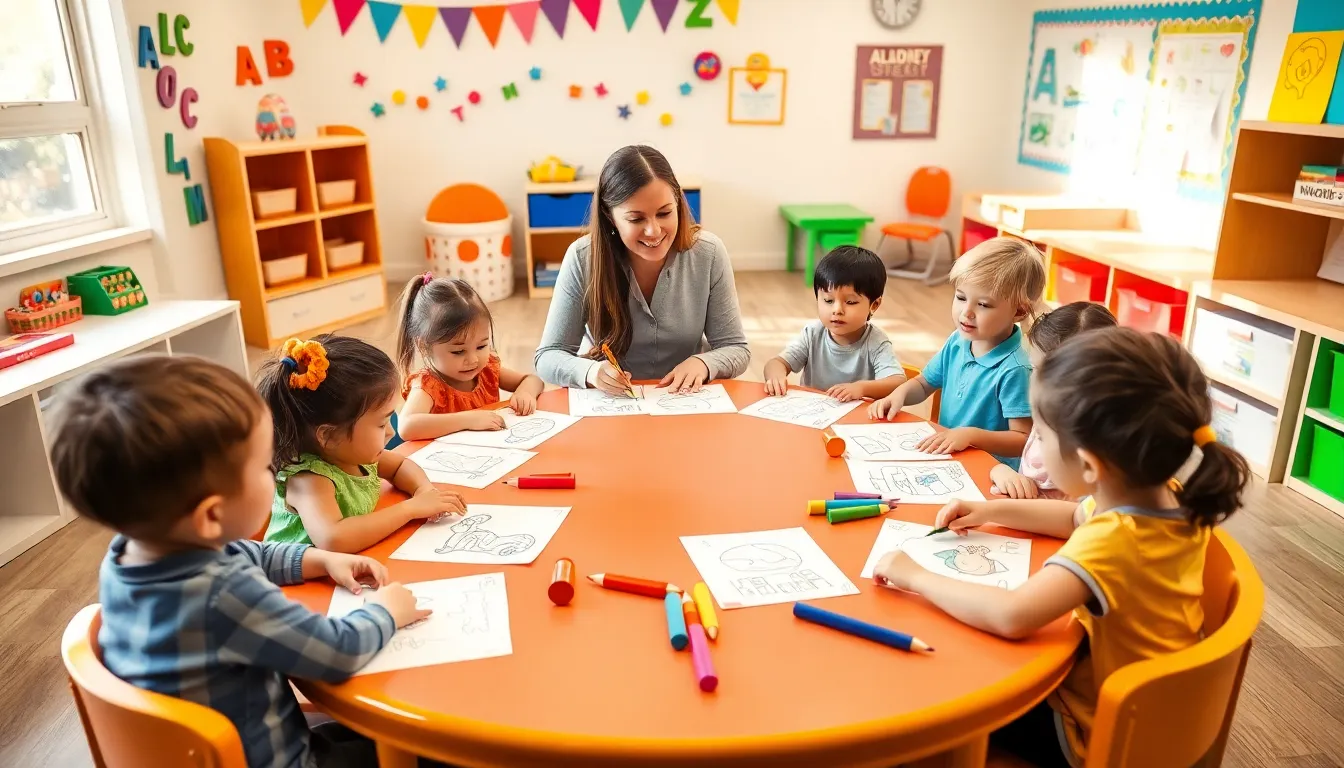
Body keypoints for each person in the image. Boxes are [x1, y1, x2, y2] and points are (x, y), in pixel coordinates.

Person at [872, 328, 1250, 768]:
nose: (1035, 449)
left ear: (1090, 465)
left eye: (1042, 440)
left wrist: (913, 574)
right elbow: (1073, 516)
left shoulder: (1114, 542)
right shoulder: (1161, 494)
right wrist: (988, 510)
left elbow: (1012, 616)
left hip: (1094, 732)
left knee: (937, 706)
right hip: (1157, 715)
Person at [48, 355, 432, 768]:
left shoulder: (132, 554)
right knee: (432, 749)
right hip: (282, 759)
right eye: (262, 467)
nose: (277, 475)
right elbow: (335, 653)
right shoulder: (224, 596)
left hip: (200, 751)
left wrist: (319, 559)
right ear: (211, 515)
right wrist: (385, 612)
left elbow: (250, 552)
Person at [534, 145, 749, 394]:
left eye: (665, 213)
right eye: (636, 219)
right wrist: (591, 372)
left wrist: (703, 362)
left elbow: (736, 348)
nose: (654, 231)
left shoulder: (709, 253)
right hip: (610, 404)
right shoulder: (583, 259)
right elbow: (548, 356)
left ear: (678, 202)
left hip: (685, 401)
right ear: (609, 216)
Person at [259, 335, 465, 553]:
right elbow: (334, 539)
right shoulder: (309, 479)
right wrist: (410, 509)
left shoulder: (356, 455)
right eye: (381, 424)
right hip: (297, 584)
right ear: (329, 436)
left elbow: (400, 467)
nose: (391, 432)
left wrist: (424, 491)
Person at [868, 237, 1045, 469]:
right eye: (961, 297)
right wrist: (899, 395)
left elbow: (1022, 440)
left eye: (983, 304)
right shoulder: (958, 341)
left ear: (1019, 311)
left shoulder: (1016, 368)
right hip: (948, 461)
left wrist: (970, 436)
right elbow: (924, 384)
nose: (966, 312)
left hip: (989, 476)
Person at [395, 273, 544, 441]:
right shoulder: (429, 386)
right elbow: (407, 426)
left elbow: (533, 380)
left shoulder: (486, 370)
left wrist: (525, 393)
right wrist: (469, 420)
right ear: (423, 345)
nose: (473, 359)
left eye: (481, 346)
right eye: (458, 351)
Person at [991, 301, 1117, 499]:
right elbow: (1024, 478)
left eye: (1050, 372)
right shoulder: (1046, 416)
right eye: (1035, 368)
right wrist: (1000, 472)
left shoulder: (1092, 447)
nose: (1035, 380)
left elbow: (1075, 516)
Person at [762, 245, 906, 402]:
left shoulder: (876, 342)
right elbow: (776, 363)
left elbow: (897, 383)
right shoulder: (812, 333)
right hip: (813, 415)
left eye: (850, 302)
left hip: (856, 421)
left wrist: (861, 388)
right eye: (828, 300)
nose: (837, 310)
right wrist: (776, 375)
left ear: (874, 305)